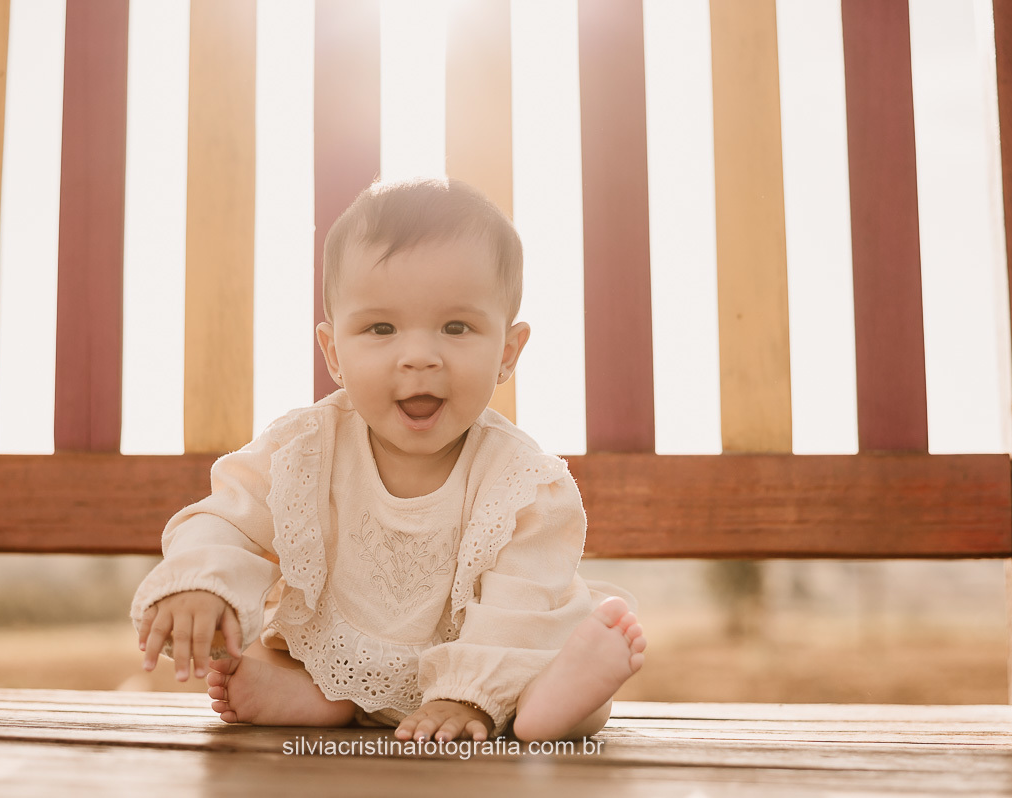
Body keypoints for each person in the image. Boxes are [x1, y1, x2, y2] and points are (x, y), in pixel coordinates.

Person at [131, 177, 646, 743]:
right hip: (340, 664)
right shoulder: (302, 450)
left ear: (507, 351)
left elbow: (522, 600)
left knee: (543, 653)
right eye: (381, 328)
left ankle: (553, 704)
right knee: (289, 656)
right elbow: (230, 517)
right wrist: (203, 581)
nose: (419, 357)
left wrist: (463, 697)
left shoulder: (522, 483)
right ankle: (319, 700)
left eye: (456, 327)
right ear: (333, 352)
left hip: (492, 656)